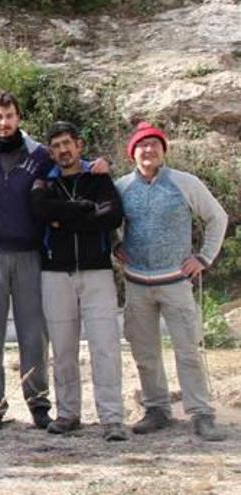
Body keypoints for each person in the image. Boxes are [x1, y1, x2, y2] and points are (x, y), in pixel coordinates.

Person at [115, 122, 228, 441]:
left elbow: (216, 217)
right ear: (132, 152)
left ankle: (202, 413)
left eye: (154, 144)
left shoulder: (184, 183)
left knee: (188, 349)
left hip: (176, 281)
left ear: (163, 150)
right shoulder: (122, 187)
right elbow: (108, 220)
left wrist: (203, 258)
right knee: (144, 351)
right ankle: (156, 409)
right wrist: (115, 245)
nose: (148, 150)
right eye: (141, 145)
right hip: (137, 282)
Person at [30, 121, 126, 441]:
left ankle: (112, 417)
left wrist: (65, 219)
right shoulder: (43, 180)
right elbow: (41, 211)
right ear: (50, 151)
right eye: (56, 145)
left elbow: (112, 215)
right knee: (63, 348)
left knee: (106, 346)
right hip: (55, 273)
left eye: (67, 143)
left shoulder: (97, 177)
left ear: (79, 145)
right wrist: (85, 211)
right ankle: (68, 413)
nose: (63, 150)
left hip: (97, 271)